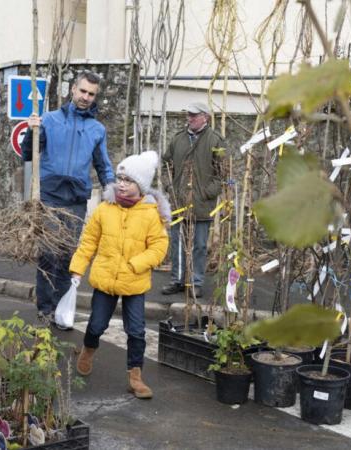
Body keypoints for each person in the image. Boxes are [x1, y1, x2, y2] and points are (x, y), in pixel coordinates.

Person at [69, 151, 170, 399]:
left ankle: (135, 378)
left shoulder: (150, 213)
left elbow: (159, 247)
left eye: (128, 180)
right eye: (120, 178)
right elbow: (89, 241)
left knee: (136, 331)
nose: (121, 184)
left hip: (134, 281)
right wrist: (77, 269)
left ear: (141, 186)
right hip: (105, 279)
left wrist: (137, 264)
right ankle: (88, 349)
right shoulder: (105, 209)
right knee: (96, 324)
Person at [21, 71, 115, 329]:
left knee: (67, 257)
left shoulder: (97, 130)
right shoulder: (49, 120)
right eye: (82, 91)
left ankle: (62, 312)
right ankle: (45, 309)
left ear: (95, 96)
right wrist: (31, 131)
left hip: (76, 200)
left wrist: (113, 192)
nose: (86, 97)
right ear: (73, 89)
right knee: (48, 254)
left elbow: (103, 165)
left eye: (91, 94)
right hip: (49, 196)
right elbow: (28, 154)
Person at [161, 102, 225, 298]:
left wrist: (207, 193)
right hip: (179, 201)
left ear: (205, 117)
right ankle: (177, 280)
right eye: (188, 114)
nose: (189, 118)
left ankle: (196, 282)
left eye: (193, 115)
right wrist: (169, 186)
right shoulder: (178, 139)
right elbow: (166, 164)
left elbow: (222, 173)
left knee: (199, 245)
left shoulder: (216, 140)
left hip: (202, 203)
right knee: (177, 243)